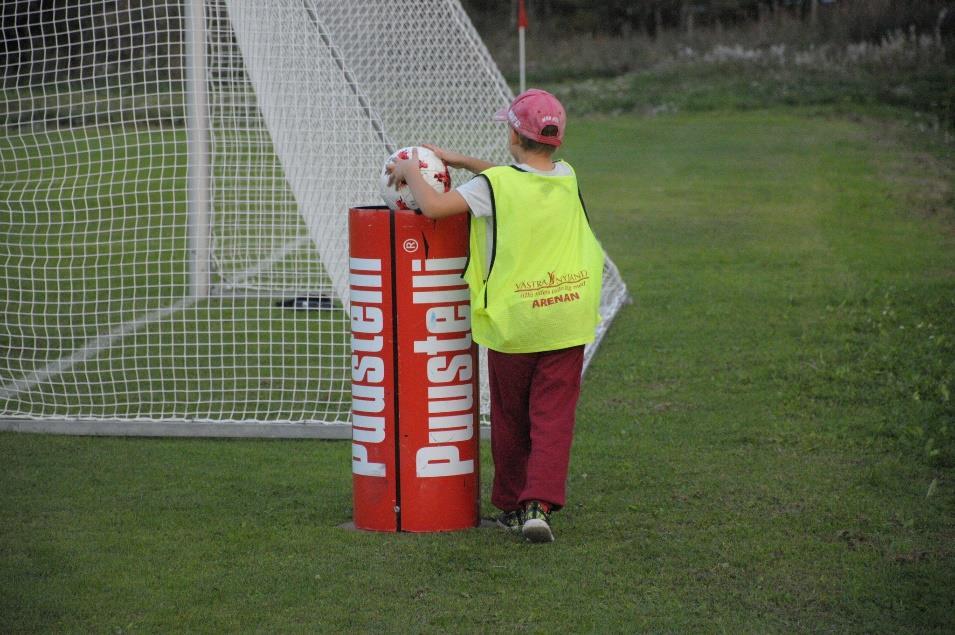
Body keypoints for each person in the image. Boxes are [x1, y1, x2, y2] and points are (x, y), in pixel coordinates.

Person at [388, 89, 604, 543]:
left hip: (516, 324)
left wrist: (412, 167)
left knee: (510, 417)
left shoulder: (495, 188)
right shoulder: (566, 176)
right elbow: (513, 182)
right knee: (553, 418)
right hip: (567, 317)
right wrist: (461, 161)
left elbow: (434, 207)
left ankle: (509, 504)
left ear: (512, 135)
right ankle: (537, 505)